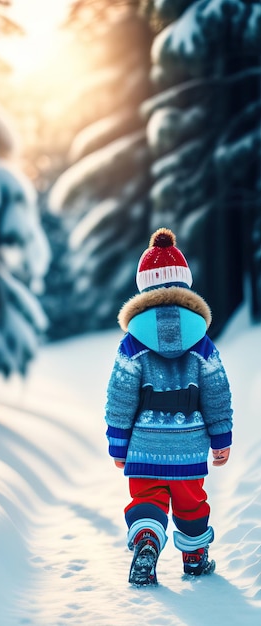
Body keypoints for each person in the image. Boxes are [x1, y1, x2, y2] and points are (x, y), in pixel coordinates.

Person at [104, 228, 233, 586]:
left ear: (144, 288)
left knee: (147, 497)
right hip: (189, 446)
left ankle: (146, 542)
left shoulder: (132, 344)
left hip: (145, 445)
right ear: (184, 286)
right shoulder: (202, 342)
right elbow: (217, 392)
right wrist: (221, 436)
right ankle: (194, 558)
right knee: (191, 501)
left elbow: (121, 396)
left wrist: (118, 444)